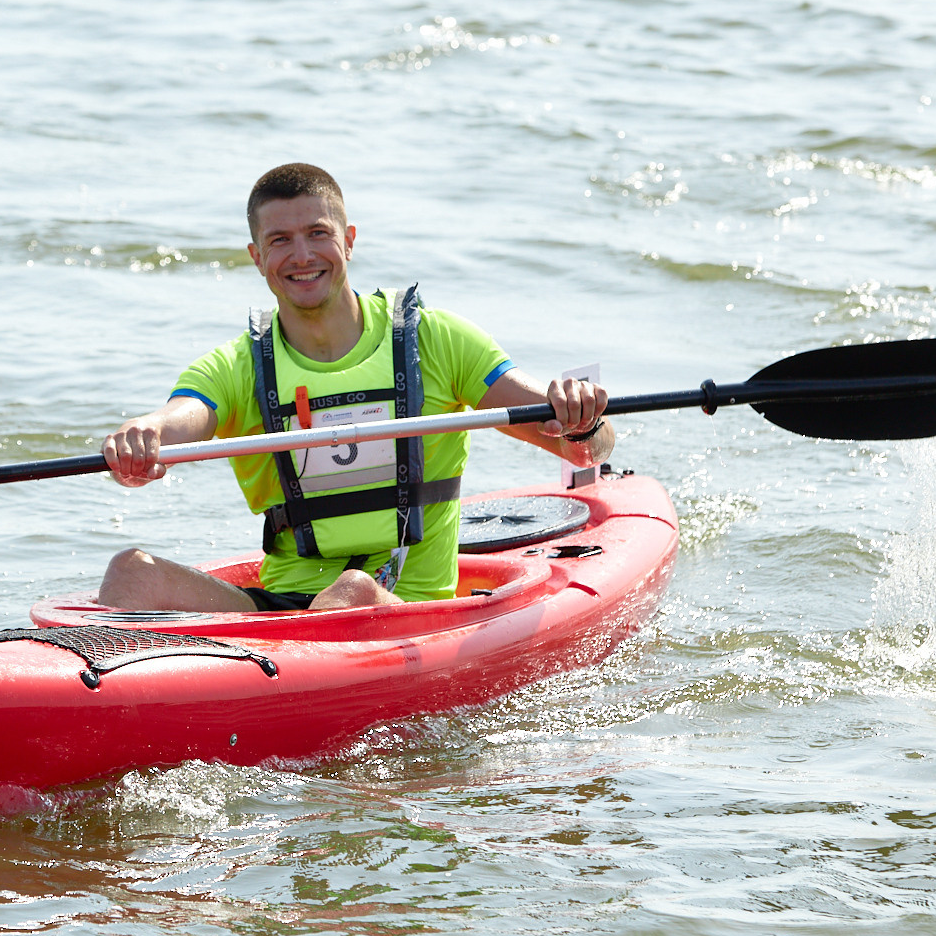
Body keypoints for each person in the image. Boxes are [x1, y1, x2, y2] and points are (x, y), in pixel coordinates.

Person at [97, 163, 614, 613]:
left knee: (352, 590)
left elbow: (585, 444)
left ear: (348, 240)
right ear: (257, 257)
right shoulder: (236, 365)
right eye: (280, 241)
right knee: (130, 572)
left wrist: (582, 418)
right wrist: (146, 433)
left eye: (318, 233)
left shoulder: (437, 340)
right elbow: (185, 416)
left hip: (402, 607)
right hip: (285, 611)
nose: (301, 256)